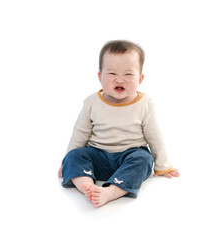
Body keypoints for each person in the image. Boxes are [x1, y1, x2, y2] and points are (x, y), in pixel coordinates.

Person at [58, 40, 179, 208]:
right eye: (112, 74)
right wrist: (67, 163)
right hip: (96, 156)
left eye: (128, 75)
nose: (120, 79)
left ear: (140, 78)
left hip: (129, 156)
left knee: (144, 159)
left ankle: (112, 191)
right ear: (100, 76)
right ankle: (86, 185)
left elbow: (155, 138)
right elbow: (80, 133)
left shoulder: (145, 105)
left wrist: (163, 166)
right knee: (74, 155)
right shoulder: (91, 103)